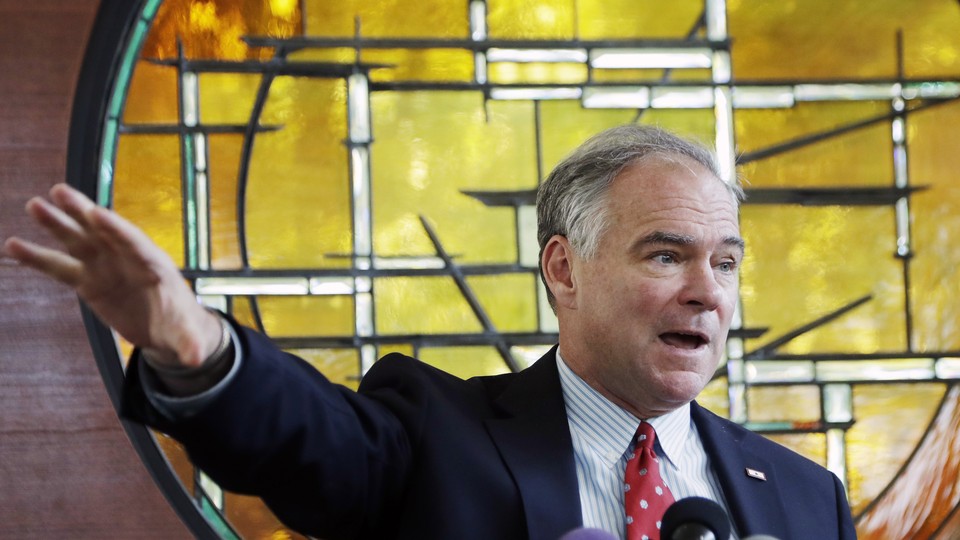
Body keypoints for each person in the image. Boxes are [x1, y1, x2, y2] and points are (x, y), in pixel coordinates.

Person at [4, 125, 857, 540]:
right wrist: (196, 344)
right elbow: (308, 441)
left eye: (728, 263)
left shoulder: (804, 496)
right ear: (564, 268)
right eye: (668, 256)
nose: (707, 293)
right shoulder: (434, 433)